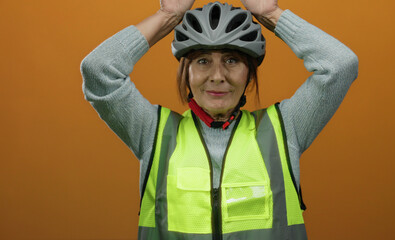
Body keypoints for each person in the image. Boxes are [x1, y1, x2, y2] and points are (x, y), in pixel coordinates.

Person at [80, 0, 358, 239]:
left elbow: (339, 65)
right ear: (185, 73)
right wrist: (166, 18)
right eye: (202, 60)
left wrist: (270, 14)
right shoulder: (154, 132)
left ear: (249, 73)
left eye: (231, 60)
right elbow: (98, 71)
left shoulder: (285, 128)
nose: (217, 76)